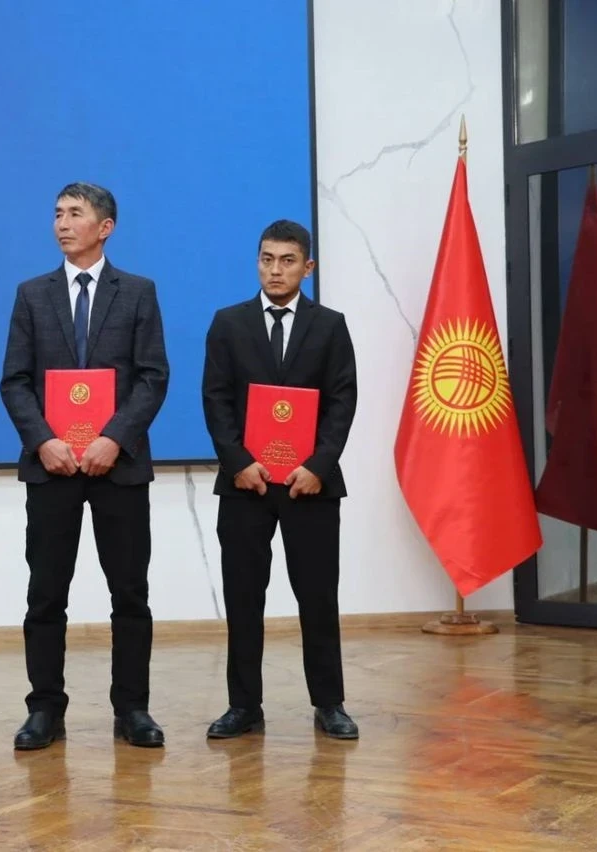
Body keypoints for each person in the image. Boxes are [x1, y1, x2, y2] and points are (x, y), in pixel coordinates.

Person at [0, 182, 170, 749]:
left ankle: (133, 708)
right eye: (57, 214)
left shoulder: (138, 292)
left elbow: (153, 377)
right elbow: (15, 380)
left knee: (130, 593)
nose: (62, 223)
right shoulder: (32, 294)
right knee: (46, 594)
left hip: (118, 467)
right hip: (52, 468)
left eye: (75, 214)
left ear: (106, 227)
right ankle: (45, 708)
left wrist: (114, 439)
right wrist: (44, 440)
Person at [200, 219, 359, 740]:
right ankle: (244, 705)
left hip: (309, 486)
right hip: (245, 484)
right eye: (267, 259)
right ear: (257, 262)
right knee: (244, 598)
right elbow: (216, 399)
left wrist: (318, 466)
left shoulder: (329, 325)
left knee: (318, 597)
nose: (275, 270)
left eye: (287, 261)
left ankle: (329, 703)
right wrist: (238, 462)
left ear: (307, 267)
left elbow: (342, 401)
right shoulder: (228, 323)